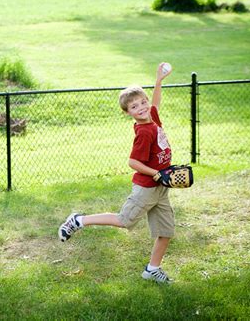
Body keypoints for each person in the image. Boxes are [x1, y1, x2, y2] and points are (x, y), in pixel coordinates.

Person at [58, 62, 175, 284]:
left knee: (166, 230)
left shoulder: (152, 117)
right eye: (134, 107)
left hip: (161, 188)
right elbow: (133, 162)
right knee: (124, 220)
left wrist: (158, 80)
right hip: (147, 188)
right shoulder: (143, 132)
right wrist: (157, 174)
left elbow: (156, 103)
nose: (140, 108)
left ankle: (152, 269)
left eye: (142, 102)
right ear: (128, 113)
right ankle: (78, 220)